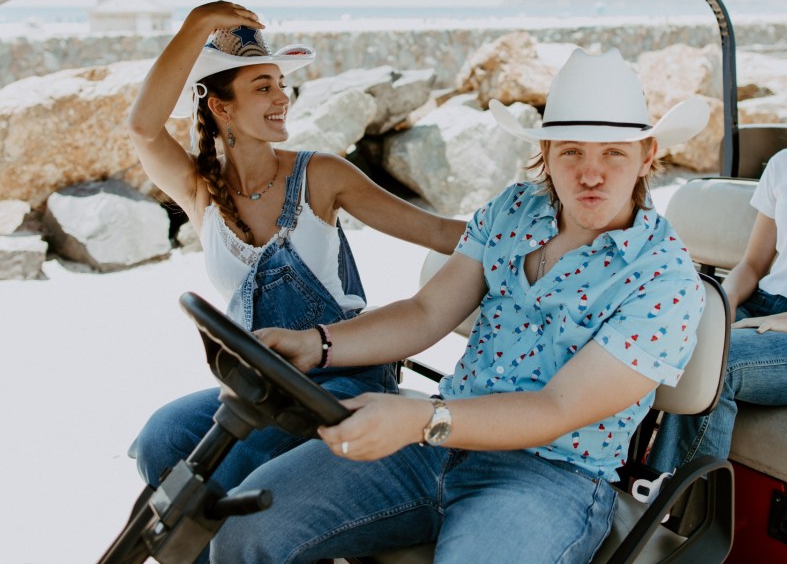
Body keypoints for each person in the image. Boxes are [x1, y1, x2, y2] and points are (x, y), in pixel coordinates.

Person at [208, 47, 711, 564]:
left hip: (549, 476)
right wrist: (315, 344)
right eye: (571, 152)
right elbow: (426, 312)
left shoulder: (662, 279)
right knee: (245, 530)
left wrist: (421, 418)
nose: (590, 174)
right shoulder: (515, 209)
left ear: (647, 155)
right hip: (433, 445)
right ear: (547, 152)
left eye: (613, 153)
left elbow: (556, 408)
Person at [126, 0, 465, 499]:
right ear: (221, 107)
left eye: (282, 85)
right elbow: (142, 127)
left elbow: (437, 232)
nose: (282, 97)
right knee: (161, 438)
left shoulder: (320, 175)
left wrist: (541, 235)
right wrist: (198, 23)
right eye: (263, 87)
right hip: (263, 384)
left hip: (345, 375)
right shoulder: (201, 191)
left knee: (232, 466)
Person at [648, 43, 787, 472]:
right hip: (765, 306)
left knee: (716, 364)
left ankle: (669, 507)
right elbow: (752, 265)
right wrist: (719, 307)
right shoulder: (785, 167)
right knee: (655, 334)